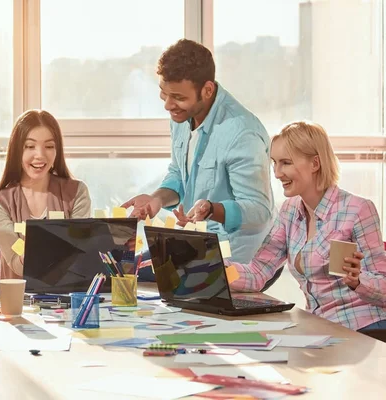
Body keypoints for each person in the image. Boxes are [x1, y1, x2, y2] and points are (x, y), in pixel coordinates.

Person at [122, 39, 274, 264]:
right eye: (164, 94)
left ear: (207, 90)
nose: (168, 105)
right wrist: (156, 200)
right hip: (197, 243)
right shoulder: (181, 116)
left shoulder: (242, 133)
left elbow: (260, 211)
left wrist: (212, 209)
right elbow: (179, 175)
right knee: (127, 265)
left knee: (141, 272)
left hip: (237, 257)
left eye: (179, 97)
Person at [230, 121, 386, 332]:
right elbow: (258, 272)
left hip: (364, 327)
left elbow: (383, 284)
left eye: (285, 163)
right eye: (274, 163)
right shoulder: (289, 211)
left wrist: (359, 281)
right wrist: (214, 271)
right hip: (320, 327)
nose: (276, 173)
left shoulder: (358, 210)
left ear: (315, 163)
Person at [0, 109, 91, 279]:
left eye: (49, 146)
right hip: (19, 302)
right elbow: (17, 264)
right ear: (17, 150)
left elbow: (78, 256)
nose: (40, 155)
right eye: (30, 146)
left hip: (66, 299)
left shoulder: (77, 193)